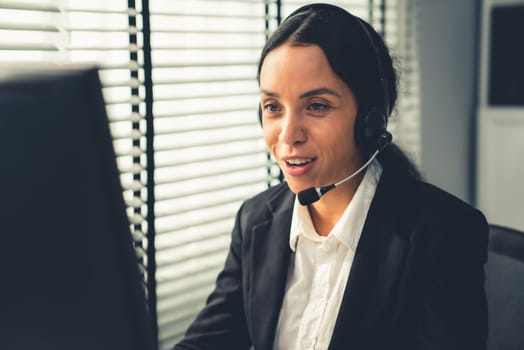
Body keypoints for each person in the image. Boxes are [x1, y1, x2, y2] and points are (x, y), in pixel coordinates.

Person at [173, 3, 488, 350]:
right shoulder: (255, 222)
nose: (287, 135)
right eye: (273, 107)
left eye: (317, 106)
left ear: (370, 121)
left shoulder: (443, 234)